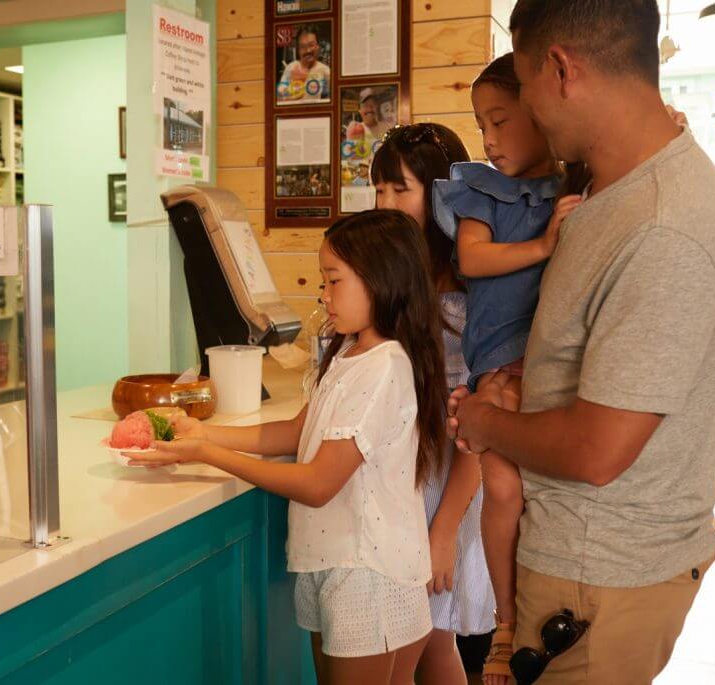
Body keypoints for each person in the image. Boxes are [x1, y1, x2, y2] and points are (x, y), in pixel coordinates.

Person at [449, 2, 715, 683]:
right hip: (574, 565)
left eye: (522, 85)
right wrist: (519, 374)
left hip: (597, 579)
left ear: (560, 69)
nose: (524, 108)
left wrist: (487, 419)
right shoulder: (605, 197)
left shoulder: (664, 226)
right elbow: (595, 347)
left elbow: (598, 449)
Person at [131, 209, 448, 685]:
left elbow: (319, 482)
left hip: (367, 574)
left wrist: (209, 456)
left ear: (382, 279)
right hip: (337, 563)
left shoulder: (384, 367)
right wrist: (201, 434)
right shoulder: (350, 352)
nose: (323, 295)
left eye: (334, 281)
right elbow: (302, 430)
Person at [430, 54, 584, 684]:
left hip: (553, 370)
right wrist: (545, 244)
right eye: (479, 123)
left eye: (500, 121)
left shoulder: (578, 184)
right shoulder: (480, 191)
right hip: (496, 366)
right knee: (501, 490)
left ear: (543, 115)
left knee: (551, 496)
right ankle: (504, 621)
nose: (487, 138)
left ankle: (531, 611)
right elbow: (473, 260)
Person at [372, 122, 496, 685]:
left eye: (401, 189)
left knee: (432, 638)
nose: (386, 204)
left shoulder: (472, 288)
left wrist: (444, 529)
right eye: (379, 190)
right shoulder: (389, 276)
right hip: (397, 489)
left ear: (441, 193)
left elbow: (479, 426)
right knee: (414, 639)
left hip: (448, 488)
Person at [277, 25, 331, 104]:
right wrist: (293, 86)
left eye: (311, 45)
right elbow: (279, 98)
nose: (308, 50)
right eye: (303, 46)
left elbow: (328, 100)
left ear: (317, 46)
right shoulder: (291, 68)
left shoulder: (325, 71)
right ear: (298, 50)